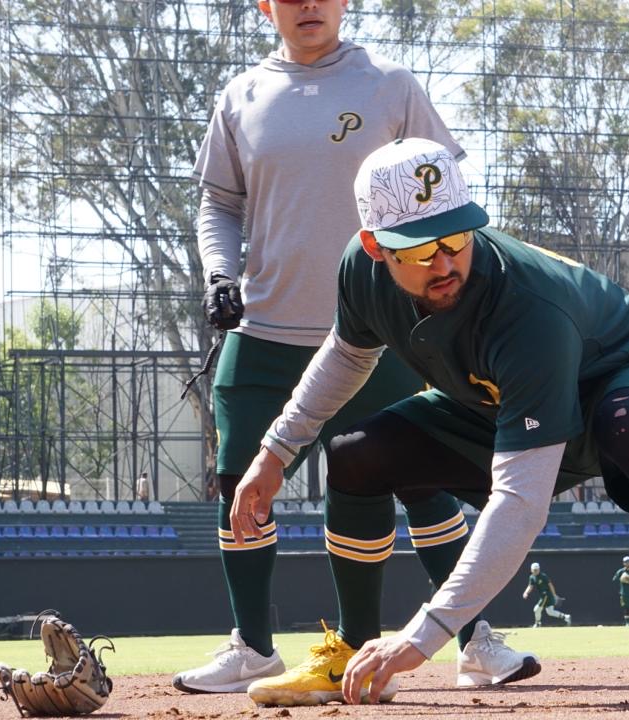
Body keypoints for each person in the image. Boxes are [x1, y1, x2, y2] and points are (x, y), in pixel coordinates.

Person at [229, 137, 629, 707]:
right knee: (358, 453)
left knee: (628, 423)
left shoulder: (526, 308)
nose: (443, 263)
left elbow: (521, 502)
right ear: (374, 247)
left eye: (455, 237)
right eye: (417, 248)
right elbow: (347, 354)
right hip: (514, 401)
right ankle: (352, 653)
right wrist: (275, 451)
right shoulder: (361, 273)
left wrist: (425, 635)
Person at [176, 0, 534, 701]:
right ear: (265, 6)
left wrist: (450, 286)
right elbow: (218, 204)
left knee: (422, 482)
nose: (309, 5)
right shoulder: (240, 96)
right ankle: (252, 649)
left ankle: (475, 640)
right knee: (239, 483)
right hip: (265, 333)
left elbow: (444, 193)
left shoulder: (391, 85)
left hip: (383, 331)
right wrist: (220, 275)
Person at [522, 562, 571, 628]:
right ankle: (566, 617)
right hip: (545, 596)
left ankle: (538, 623)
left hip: (546, 595)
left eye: (537, 570)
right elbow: (530, 586)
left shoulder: (543, 576)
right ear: (531, 570)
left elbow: (550, 585)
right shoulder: (531, 577)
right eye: (534, 570)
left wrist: (554, 595)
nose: (536, 571)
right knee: (550, 612)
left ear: (539, 569)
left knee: (536, 609)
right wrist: (526, 592)